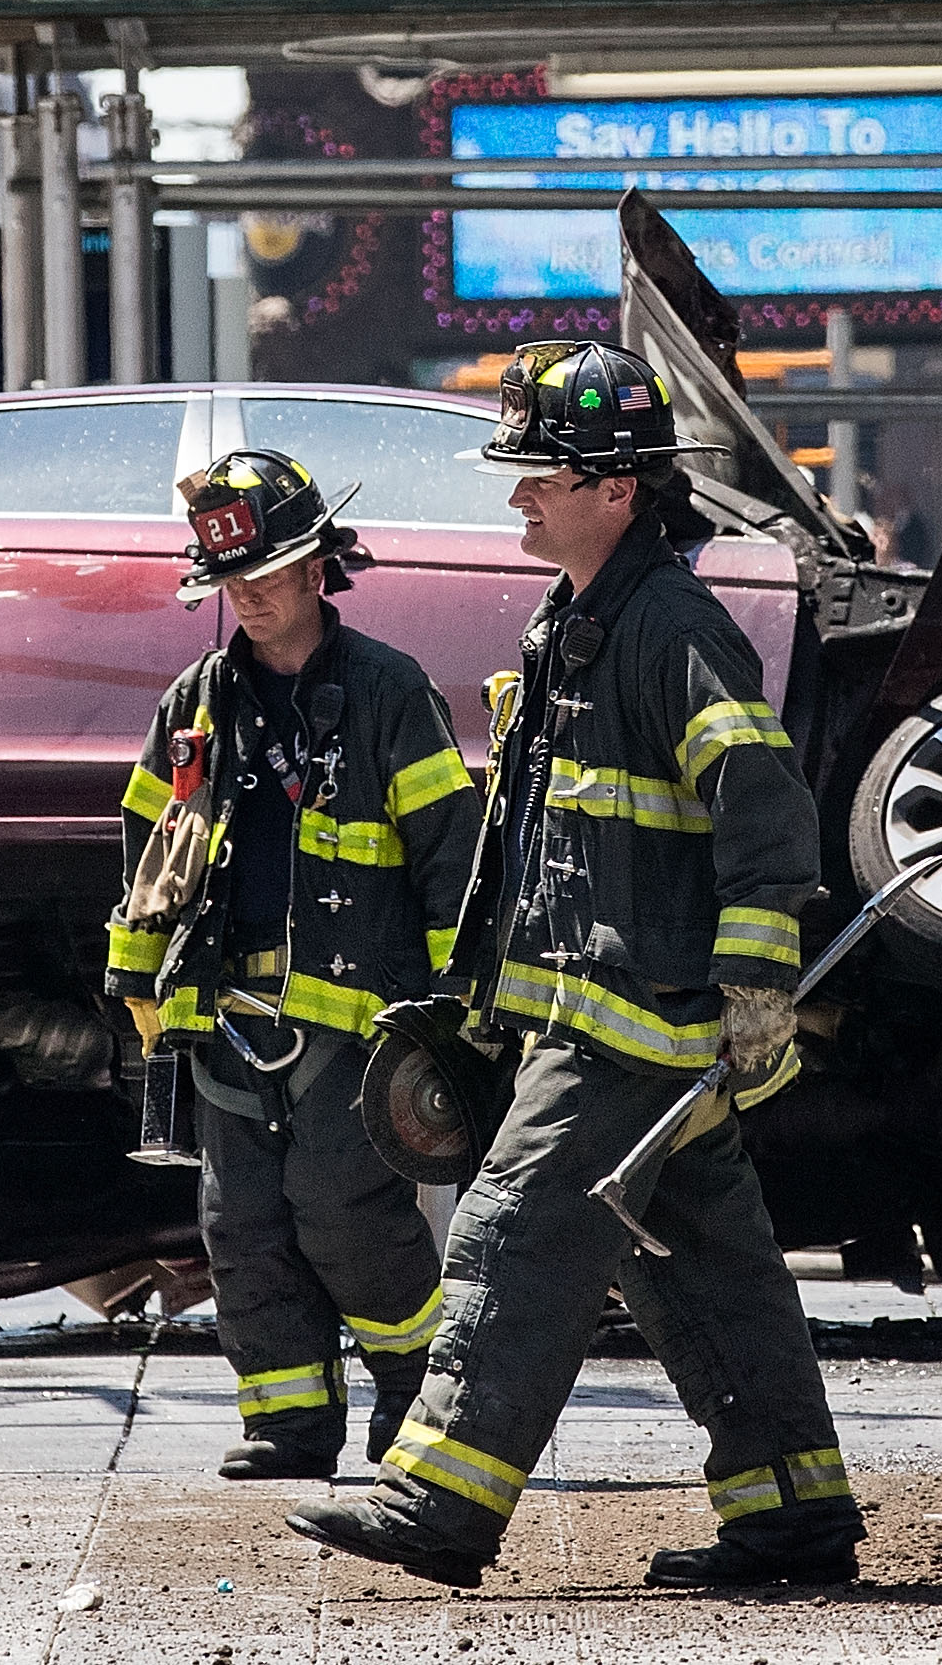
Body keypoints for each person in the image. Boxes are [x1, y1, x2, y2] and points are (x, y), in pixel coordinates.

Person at [288, 340, 858, 1592]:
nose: (518, 497)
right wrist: (489, 1002)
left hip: (633, 1025)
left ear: (616, 488)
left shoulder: (671, 629)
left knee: (512, 1233)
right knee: (703, 1269)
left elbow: (764, 806)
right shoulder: (580, 619)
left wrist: (756, 986)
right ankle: (793, 1513)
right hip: (602, 1014)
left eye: (540, 477)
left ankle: (439, 1501)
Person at [105, 450, 481, 1480]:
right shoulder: (197, 700)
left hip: (358, 1022)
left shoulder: (388, 690)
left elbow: (451, 856)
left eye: (265, 573)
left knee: (346, 1217)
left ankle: (416, 1402)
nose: (247, 595)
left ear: (320, 569)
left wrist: (456, 1012)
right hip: (224, 1014)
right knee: (242, 1227)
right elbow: (146, 849)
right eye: (230, 579)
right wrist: (135, 984)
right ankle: (289, 1423)